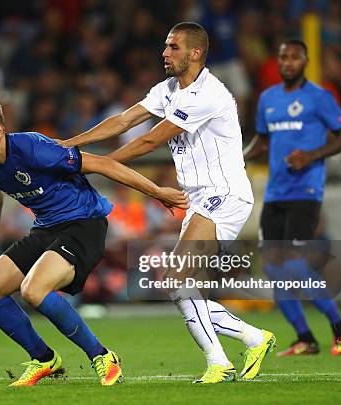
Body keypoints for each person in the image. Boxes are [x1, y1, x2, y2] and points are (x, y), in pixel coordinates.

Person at [62, 22, 274, 384]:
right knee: (180, 284)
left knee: (178, 278)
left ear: (195, 53)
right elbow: (125, 119)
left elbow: (149, 141)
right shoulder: (169, 89)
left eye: (173, 47)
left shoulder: (207, 94)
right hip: (201, 198)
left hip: (223, 193)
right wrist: (69, 146)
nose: (164, 53)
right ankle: (254, 338)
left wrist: (98, 165)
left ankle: (218, 363)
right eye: (165, 46)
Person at [0, 96, 189, 387]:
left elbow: (104, 164)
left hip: (85, 224)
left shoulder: (34, 148)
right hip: (46, 229)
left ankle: (102, 355)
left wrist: (157, 192)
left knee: (34, 289)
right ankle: (44, 359)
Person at [244, 39, 341, 356]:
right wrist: (239, 159)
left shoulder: (319, 98)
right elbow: (263, 142)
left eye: (294, 57)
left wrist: (312, 155)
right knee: (273, 268)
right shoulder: (268, 99)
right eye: (283, 57)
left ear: (306, 60)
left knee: (294, 265)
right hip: (276, 192)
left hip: (304, 192)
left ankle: (340, 327)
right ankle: (305, 337)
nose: (288, 62)